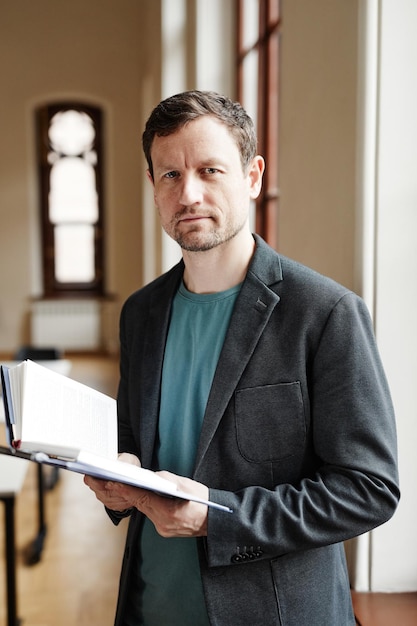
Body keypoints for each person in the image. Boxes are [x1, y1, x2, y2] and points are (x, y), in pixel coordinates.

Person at [84, 90, 400, 626]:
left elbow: (368, 489)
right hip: (149, 606)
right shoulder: (141, 313)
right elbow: (133, 445)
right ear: (152, 188)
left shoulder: (325, 312)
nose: (189, 194)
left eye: (210, 170)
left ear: (252, 177)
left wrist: (219, 518)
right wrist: (117, 482)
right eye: (170, 176)